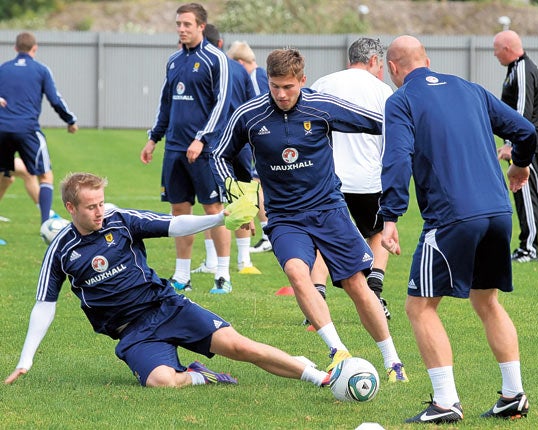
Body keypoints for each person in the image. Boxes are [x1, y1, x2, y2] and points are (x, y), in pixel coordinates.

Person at [4, 172, 330, 389]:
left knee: (240, 347)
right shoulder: (61, 249)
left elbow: (174, 225)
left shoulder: (121, 222)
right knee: (162, 382)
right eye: (91, 207)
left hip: (167, 307)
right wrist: (26, 358)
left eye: (102, 203)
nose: (99, 211)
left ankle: (319, 376)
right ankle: (200, 376)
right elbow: (44, 305)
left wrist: (220, 218)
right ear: (70, 208)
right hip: (132, 333)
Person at [212, 48, 408, 382]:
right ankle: (338, 352)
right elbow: (219, 155)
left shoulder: (322, 106)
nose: (281, 94)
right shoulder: (250, 115)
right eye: (275, 86)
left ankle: (393, 362)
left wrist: (412, 135)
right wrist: (238, 196)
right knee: (296, 271)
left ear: (302, 80)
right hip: (285, 218)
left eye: (288, 86)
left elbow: (379, 124)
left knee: (356, 284)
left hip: (329, 210)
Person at [380, 35, 535, 423]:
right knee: (486, 302)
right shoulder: (472, 90)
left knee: (419, 307)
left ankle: (446, 401)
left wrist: (390, 215)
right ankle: (514, 394)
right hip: (499, 213)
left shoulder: (401, 100)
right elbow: (526, 132)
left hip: (452, 217)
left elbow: (397, 157)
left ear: (393, 69)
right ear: (427, 61)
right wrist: (519, 163)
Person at [140, 3, 234, 294]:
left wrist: (202, 138)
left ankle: (222, 274)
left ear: (201, 27)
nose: (181, 29)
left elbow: (223, 104)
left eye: (187, 25)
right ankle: (182, 275)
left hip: (205, 151)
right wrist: (154, 138)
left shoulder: (216, 59)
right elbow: (166, 104)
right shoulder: (173, 61)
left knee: (214, 209)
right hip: (175, 149)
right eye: (179, 24)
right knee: (179, 212)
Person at [310, 37, 394, 321]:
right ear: (373, 60)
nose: (381, 69)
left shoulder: (322, 84)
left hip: (326, 179)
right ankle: (375, 293)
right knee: (378, 233)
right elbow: (389, 140)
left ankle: (316, 298)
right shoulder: (383, 91)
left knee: (324, 238)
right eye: (380, 64)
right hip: (367, 180)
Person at [190, 24, 261, 276]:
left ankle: (213, 263)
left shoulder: (201, 68)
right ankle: (244, 261)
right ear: (220, 44)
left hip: (212, 145)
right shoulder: (240, 70)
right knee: (239, 198)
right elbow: (253, 104)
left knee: (211, 204)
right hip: (239, 144)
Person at [0, 31, 78, 228]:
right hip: (27, 130)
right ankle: (46, 225)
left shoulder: (3, 69)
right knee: (45, 175)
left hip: (2, 129)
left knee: (4, 177)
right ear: (34, 49)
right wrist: (70, 120)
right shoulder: (41, 70)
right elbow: (55, 99)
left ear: (15, 48)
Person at [493, 30, 538, 263]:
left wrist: (512, 144)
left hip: (529, 145)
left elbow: (521, 115)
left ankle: (529, 249)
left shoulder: (523, 70)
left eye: (496, 49)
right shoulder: (513, 70)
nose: (494, 54)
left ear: (507, 48)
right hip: (521, 143)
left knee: (526, 194)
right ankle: (524, 246)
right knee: (520, 194)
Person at [226, 40, 272, 254]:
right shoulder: (261, 74)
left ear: (240, 62)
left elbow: (257, 106)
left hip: (261, 139)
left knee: (256, 184)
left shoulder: (254, 77)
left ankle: (266, 234)